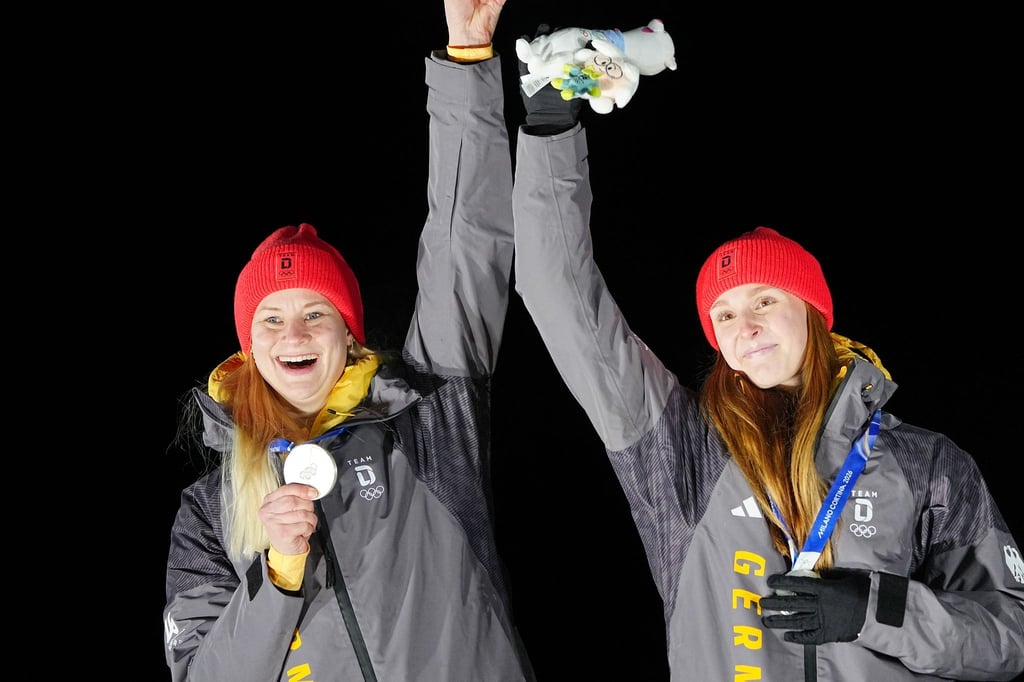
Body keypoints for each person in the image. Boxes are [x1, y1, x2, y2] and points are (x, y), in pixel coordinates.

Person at [509, 40, 1024, 680]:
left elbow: (1008, 637)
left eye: (764, 300)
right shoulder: (680, 450)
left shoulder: (927, 464)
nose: (744, 326)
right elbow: (559, 293)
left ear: (812, 311)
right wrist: (550, 131)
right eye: (723, 316)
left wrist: (878, 610)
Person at [161, 1, 536, 680]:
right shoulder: (208, 511)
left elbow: (464, 248)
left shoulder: (424, 419)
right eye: (270, 319)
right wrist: (278, 573)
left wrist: (467, 61)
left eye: (316, 313)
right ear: (247, 348)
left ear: (349, 335)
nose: (294, 334)